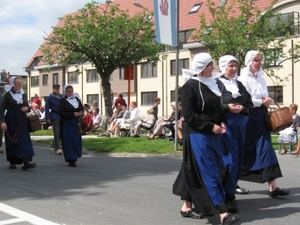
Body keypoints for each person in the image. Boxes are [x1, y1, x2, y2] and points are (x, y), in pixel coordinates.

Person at [173, 53, 240, 225]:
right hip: (198, 135)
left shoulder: (214, 83)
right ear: (202, 67)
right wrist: (211, 126)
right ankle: (222, 213)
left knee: (194, 170)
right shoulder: (190, 86)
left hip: (214, 135)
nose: (213, 68)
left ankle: (187, 206)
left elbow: (218, 109)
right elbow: (189, 114)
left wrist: (222, 122)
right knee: (209, 172)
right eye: (210, 65)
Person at [238, 50, 289, 198]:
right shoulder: (243, 79)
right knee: (243, 151)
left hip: (261, 117)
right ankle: (232, 181)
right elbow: (244, 99)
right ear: (250, 62)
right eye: (256, 60)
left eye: (261, 60)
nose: (260, 63)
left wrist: (267, 101)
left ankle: (273, 187)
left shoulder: (261, 78)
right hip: (248, 118)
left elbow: (264, 95)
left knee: (267, 149)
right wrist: (261, 101)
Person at [216, 55, 253, 212]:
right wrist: (227, 107)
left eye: (235, 65)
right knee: (228, 161)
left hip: (240, 126)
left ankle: (230, 194)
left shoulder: (239, 85)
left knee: (237, 161)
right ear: (223, 66)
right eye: (230, 65)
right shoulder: (217, 84)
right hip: (225, 125)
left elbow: (249, 105)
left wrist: (242, 109)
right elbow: (213, 104)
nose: (233, 68)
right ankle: (224, 195)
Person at [0, 76, 36, 170]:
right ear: (13, 84)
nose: (20, 84)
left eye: (21, 82)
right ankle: (13, 161)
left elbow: (28, 106)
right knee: (13, 140)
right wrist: (2, 122)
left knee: (24, 139)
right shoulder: (8, 95)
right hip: (11, 120)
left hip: (22, 120)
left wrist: (27, 108)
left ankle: (26, 162)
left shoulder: (23, 94)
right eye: (18, 83)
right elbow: (2, 109)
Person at [59, 84, 84, 167]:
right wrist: (73, 114)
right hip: (67, 123)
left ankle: (75, 156)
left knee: (76, 140)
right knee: (69, 141)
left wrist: (80, 113)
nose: (70, 92)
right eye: (68, 91)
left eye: (71, 91)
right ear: (65, 92)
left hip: (76, 123)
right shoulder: (62, 101)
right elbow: (61, 112)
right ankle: (70, 159)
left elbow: (81, 108)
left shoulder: (76, 99)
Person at [45, 84, 63, 155]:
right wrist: (48, 117)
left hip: (62, 115)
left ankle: (54, 143)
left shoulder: (62, 97)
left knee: (62, 133)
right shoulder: (50, 97)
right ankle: (57, 148)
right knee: (57, 133)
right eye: (56, 89)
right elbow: (47, 108)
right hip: (55, 115)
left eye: (58, 89)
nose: (57, 90)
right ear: (53, 89)